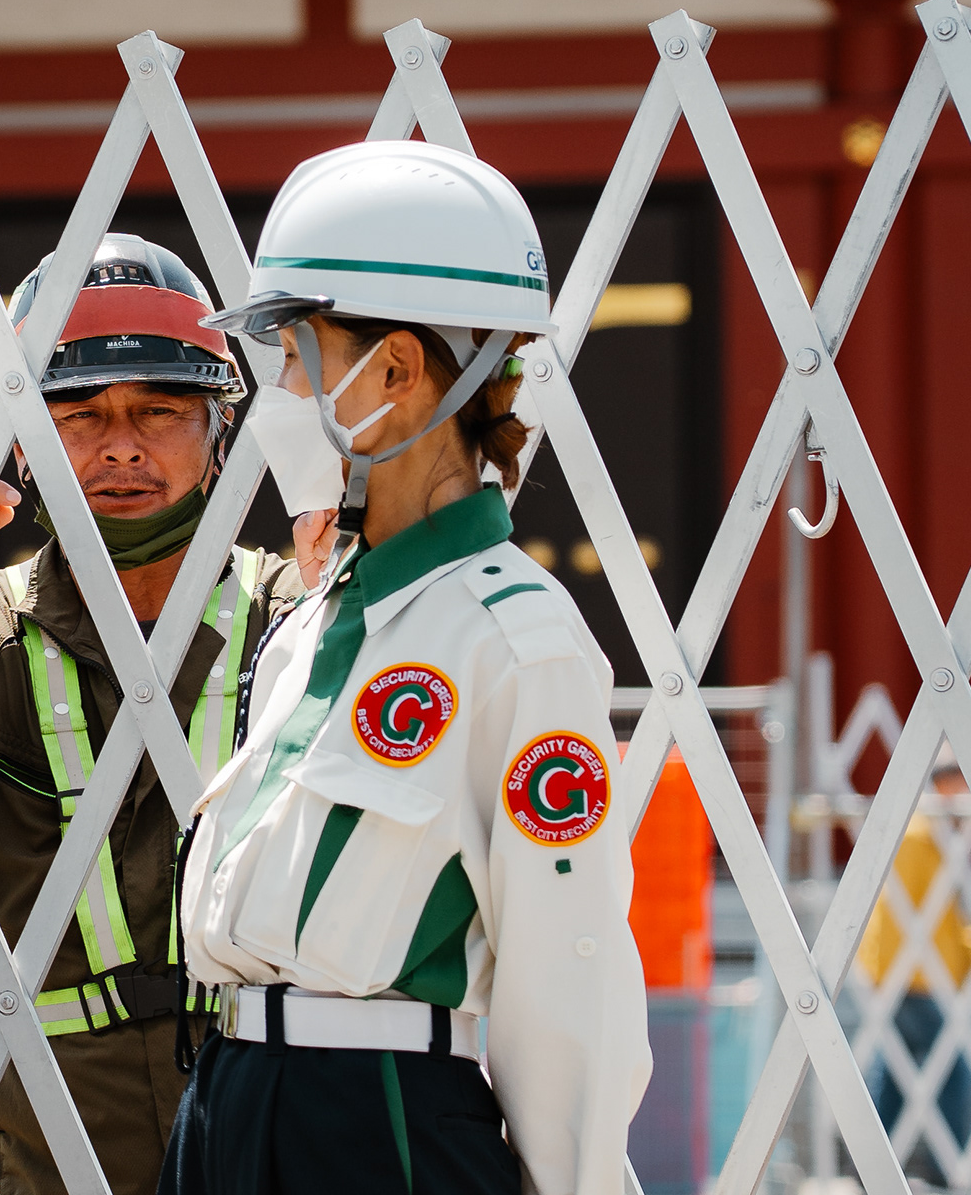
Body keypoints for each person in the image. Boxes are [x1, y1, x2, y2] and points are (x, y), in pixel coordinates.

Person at [165, 140, 651, 1195]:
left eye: (295, 355)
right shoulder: (319, 614)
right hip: (229, 1100)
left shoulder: (518, 638)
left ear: (393, 370)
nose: (278, 393)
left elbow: (568, 973)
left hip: (375, 1124)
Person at [0, 234, 305, 1195]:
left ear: (223, 431)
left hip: (268, 1119)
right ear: (24, 442)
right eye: (79, 414)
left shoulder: (300, 613)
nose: (121, 446)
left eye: (161, 410)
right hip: (48, 1136)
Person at [859, 749, 971, 1176]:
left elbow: (947, 914)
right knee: (952, 1073)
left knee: (894, 1077)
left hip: (910, 976)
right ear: (946, 785)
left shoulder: (934, 834)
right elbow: (900, 916)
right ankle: (949, 1170)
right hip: (914, 979)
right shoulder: (921, 837)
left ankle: (874, 1168)